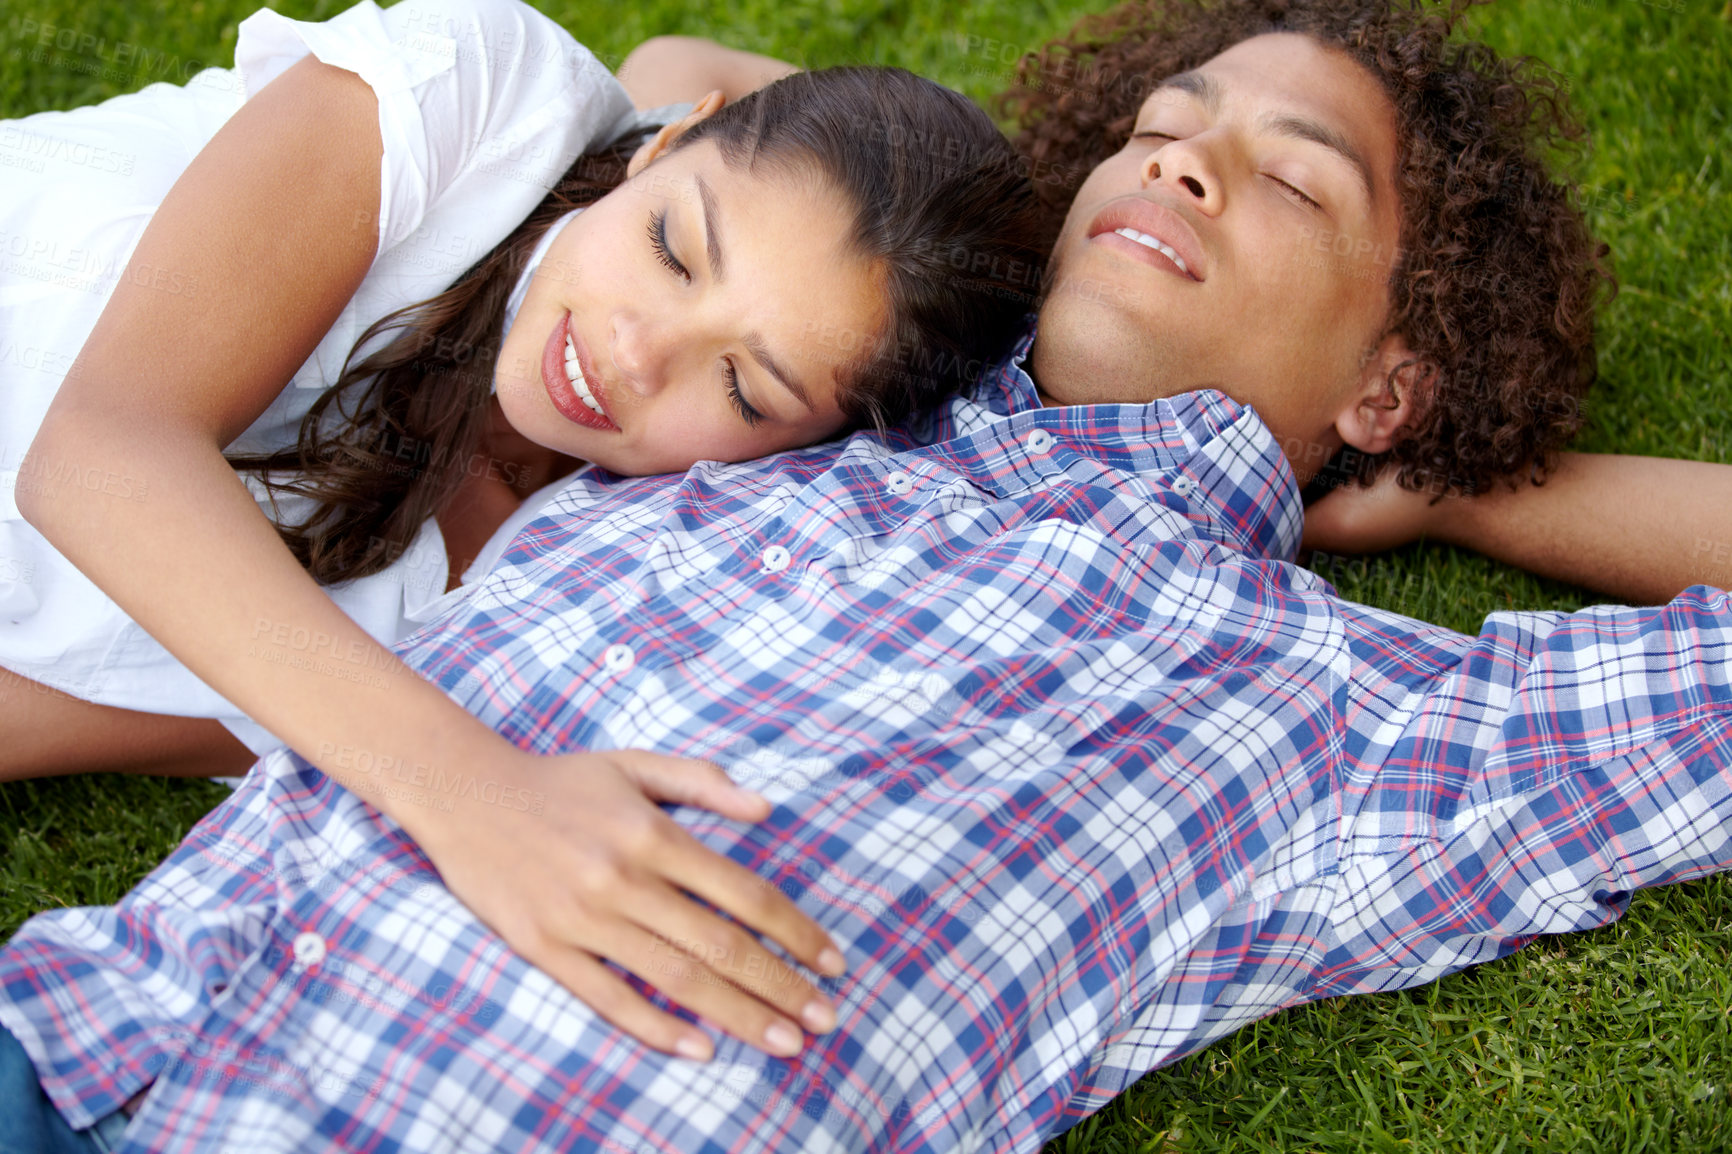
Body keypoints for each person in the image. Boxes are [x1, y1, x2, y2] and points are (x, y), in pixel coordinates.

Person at [3, 0, 1729, 1151]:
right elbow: (707, 90)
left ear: (1388, 373)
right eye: (1153, 125)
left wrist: (1473, 487)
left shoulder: (1333, 713)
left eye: (1288, 177)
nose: (1173, 158)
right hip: (83, 1029)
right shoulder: (814, 387)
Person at [0, 0, 1043, 775]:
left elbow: (72, 710)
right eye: (673, 250)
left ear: (809, 446)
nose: (636, 356)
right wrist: (474, 791)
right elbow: (101, 453)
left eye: (743, 386)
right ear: (669, 140)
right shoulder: (487, 97)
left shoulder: (554, 593)